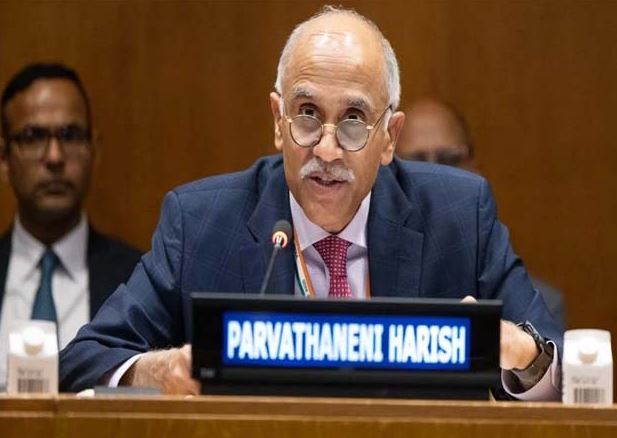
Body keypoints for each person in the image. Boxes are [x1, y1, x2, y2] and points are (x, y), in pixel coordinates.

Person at [60, 6, 562, 400]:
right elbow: (82, 360)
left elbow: (562, 372)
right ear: (277, 121)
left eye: (353, 120)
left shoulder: (458, 215)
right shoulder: (202, 224)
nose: (326, 149)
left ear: (390, 137)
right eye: (306, 114)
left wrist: (519, 353)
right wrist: (157, 370)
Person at [0, 63, 142, 388]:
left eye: (70, 135)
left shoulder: (138, 280)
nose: (54, 157)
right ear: (4, 158)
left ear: (94, 150)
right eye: (34, 137)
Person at [397, 97, 566, 331]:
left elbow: (546, 344)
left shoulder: (535, 311)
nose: (436, 177)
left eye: (450, 160)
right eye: (415, 164)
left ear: (475, 167)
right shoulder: (364, 272)